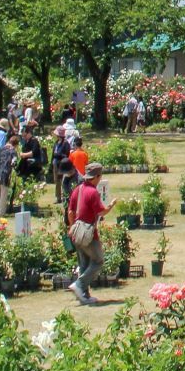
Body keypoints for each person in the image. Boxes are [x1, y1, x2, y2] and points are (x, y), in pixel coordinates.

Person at [66, 162, 114, 305]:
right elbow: (101, 212)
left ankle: (84, 296)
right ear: (97, 176)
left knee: (84, 263)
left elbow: (70, 212)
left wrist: (72, 226)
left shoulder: (78, 189)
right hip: (88, 233)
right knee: (98, 260)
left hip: (76, 231)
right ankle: (79, 285)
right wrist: (111, 206)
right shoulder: (93, 192)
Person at [0, 134, 17, 217]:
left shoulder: (1, 149)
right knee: (3, 193)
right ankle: (1, 213)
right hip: (5, 174)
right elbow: (14, 161)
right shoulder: (12, 150)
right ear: (15, 144)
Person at [17, 122, 45, 187]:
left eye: (25, 135)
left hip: (33, 164)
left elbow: (34, 152)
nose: (23, 137)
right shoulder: (26, 141)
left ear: (29, 133)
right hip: (25, 165)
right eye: (22, 136)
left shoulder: (34, 141)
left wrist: (24, 154)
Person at [51, 126, 74, 203]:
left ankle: (65, 196)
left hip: (62, 164)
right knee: (57, 181)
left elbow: (67, 155)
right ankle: (58, 198)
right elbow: (53, 154)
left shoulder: (65, 143)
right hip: (55, 164)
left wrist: (59, 154)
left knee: (63, 180)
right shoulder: (56, 143)